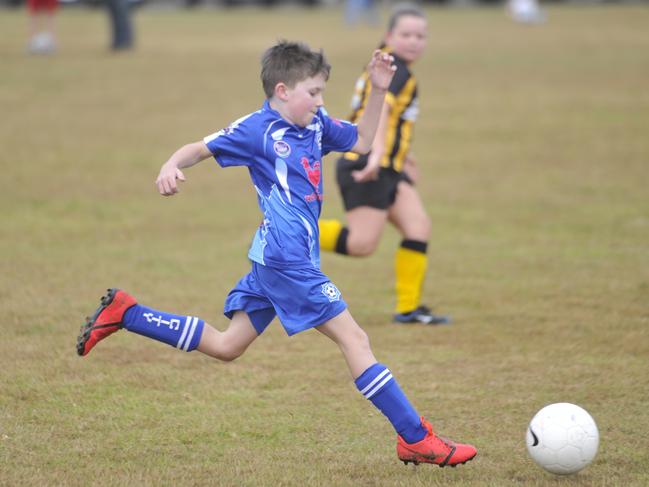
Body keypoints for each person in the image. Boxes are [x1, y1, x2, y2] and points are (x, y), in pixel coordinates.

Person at [76, 40, 476, 467]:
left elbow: (360, 140)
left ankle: (127, 312)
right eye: (314, 93)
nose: (320, 101)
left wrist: (379, 89)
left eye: (322, 92)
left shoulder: (316, 125)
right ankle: (415, 437)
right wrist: (170, 164)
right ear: (282, 90)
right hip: (287, 262)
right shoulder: (256, 130)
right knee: (355, 339)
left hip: (276, 258)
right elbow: (200, 148)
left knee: (228, 345)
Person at [319, 4, 449, 325]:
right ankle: (286, 231)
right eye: (406, 34)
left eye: (420, 35)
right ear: (390, 35)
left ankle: (408, 309)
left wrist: (404, 158)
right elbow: (384, 113)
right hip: (365, 164)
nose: (414, 41)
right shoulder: (396, 70)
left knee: (418, 227)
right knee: (362, 244)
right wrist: (377, 156)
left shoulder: (389, 65)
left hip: (387, 165)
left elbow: (391, 122)